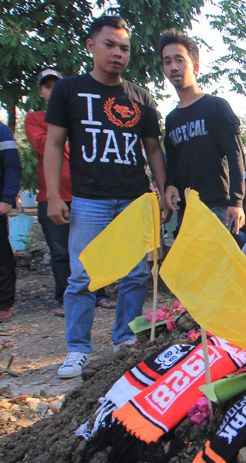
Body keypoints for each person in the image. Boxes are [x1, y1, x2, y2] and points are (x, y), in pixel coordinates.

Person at [43, 15, 169, 378]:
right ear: (91, 46)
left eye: (124, 48)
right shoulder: (69, 91)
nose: (117, 53)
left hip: (133, 199)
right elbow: (53, 145)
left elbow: (153, 150)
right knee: (83, 276)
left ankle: (124, 341)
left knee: (133, 275)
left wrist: (161, 192)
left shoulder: (140, 98)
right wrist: (54, 195)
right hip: (89, 199)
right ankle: (77, 349)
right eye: (109, 45)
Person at [24, 69, 114, 317]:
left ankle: (100, 294)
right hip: (51, 196)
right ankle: (65, 299)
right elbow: (44, 145)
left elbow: (91, 147)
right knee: (61, 252)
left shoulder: (80, 116)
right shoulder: (35, 118)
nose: (52, 90)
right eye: (47, 86)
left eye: (57, 85)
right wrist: (63, 140)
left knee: (93, 249)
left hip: (85, 195)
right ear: (41, 92)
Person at [160, 30, 245, 235]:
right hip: (187, 211)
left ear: (195, 67)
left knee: (217, 267)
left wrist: (237, 201)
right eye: (167, 61)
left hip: (217, 208)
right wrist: (170, 185)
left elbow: (236, 155)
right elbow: (172, 163)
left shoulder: (216, 107)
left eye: (180, 60)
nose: (174, 67)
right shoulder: (171, 119)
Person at [0, 122, 21, 323]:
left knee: (2, 256)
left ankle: (3, 303)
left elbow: (12, 165)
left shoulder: (1, 130)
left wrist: (7, 198)